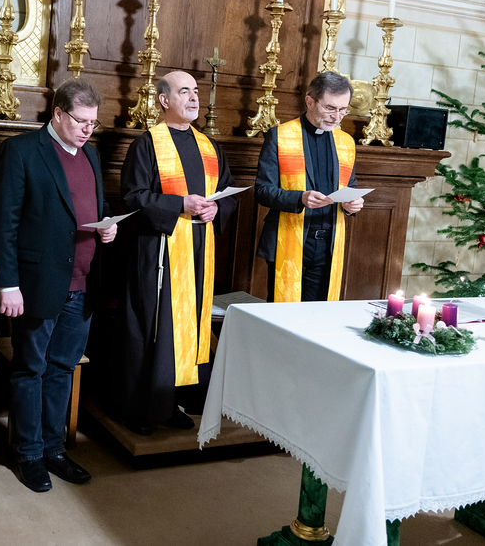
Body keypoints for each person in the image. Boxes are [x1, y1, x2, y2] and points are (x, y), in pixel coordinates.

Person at [0, 78, 117, 492]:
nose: (88, 130)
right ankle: (27, 454)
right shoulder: (22, 151)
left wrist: (108, 227)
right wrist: (8, 284)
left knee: (63, 368)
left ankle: (53, 449)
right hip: (37, 283)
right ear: (58, 113)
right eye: (81, 122)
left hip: (83, 282)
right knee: (31, 368)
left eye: (93, 123)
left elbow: (96, 207)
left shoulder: (91, 154)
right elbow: (3, 224)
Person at [119, 70, 236, 436]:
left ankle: (171, 402)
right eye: (184, 91)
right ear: (163, 100)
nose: (194, 98)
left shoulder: (209, 147)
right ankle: (139, 407)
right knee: (154, 326)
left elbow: (227, 191)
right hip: (160, 250)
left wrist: (217, 209)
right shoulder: (147, 144)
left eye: (195, 91)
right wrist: (179, 204)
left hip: (199, 250)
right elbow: (133, 197)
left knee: (189, 326)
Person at [254, 71, 364, 303]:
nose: (337, 117)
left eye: (343, 109)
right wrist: (300, 198)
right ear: (310, 101)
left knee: (317, 314)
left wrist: (352, 204)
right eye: (330, 108)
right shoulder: (280, 136)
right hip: (288, 238)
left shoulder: (345, 142)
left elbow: (350, 186)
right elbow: (262, 190)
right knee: (283, 314)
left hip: (328, 244)